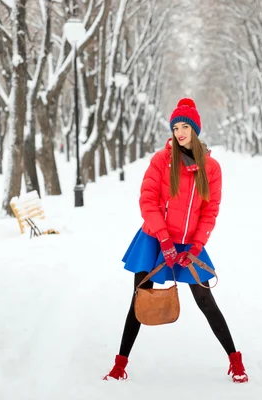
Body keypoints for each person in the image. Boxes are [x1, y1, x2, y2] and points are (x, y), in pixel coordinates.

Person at [103, 98, 248, 383]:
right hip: (156, 239)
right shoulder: (161, 161)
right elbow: (148, 201)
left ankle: (235, 360)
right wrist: (165, 241)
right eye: (175, 127)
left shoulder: (211, 168)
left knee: (206, 301)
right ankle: (120, 365)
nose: (180, 132)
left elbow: (210, 211)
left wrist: (194, 247)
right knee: (140, 299)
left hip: (189, 244)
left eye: (185, 126)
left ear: (195, 130)